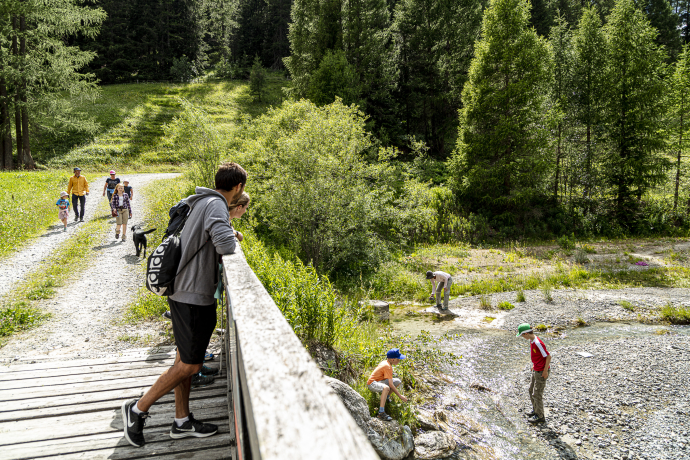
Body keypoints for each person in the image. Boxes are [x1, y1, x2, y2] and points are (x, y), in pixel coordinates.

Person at [122, 162, 247, 448]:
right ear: (238, 187)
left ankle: (181, 421)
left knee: (182, 361)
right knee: (190, 365)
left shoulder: (200, 201)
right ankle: (138, 409)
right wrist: (234, 236)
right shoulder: (216, 204)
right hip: (193, 296)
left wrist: (230, 231)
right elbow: (226, 245)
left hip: (183, 291)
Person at [516, 323, 551, 424]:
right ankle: (536, 410)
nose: (522, 337)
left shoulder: (537, 343)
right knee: (531, 390)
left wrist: (545, 371)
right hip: (536, 368)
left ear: (526, 334)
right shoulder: (532, 340)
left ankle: (540, 416)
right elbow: (538, 356)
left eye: (522, 335)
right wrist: (534, 365)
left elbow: (548, 357)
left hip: (541, 371)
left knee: (537, 394)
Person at [367, 348, 408, 421]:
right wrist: (400, 396)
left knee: (397, 381)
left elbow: (391, 381)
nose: (399, 360)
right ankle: (381, 413)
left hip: (379, 381)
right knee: (386, 388)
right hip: (372, 384)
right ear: (393, 359)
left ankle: (386, 398)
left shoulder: (387, 362)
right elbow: (391, 385)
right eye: (398, 359)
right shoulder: (388, 367)